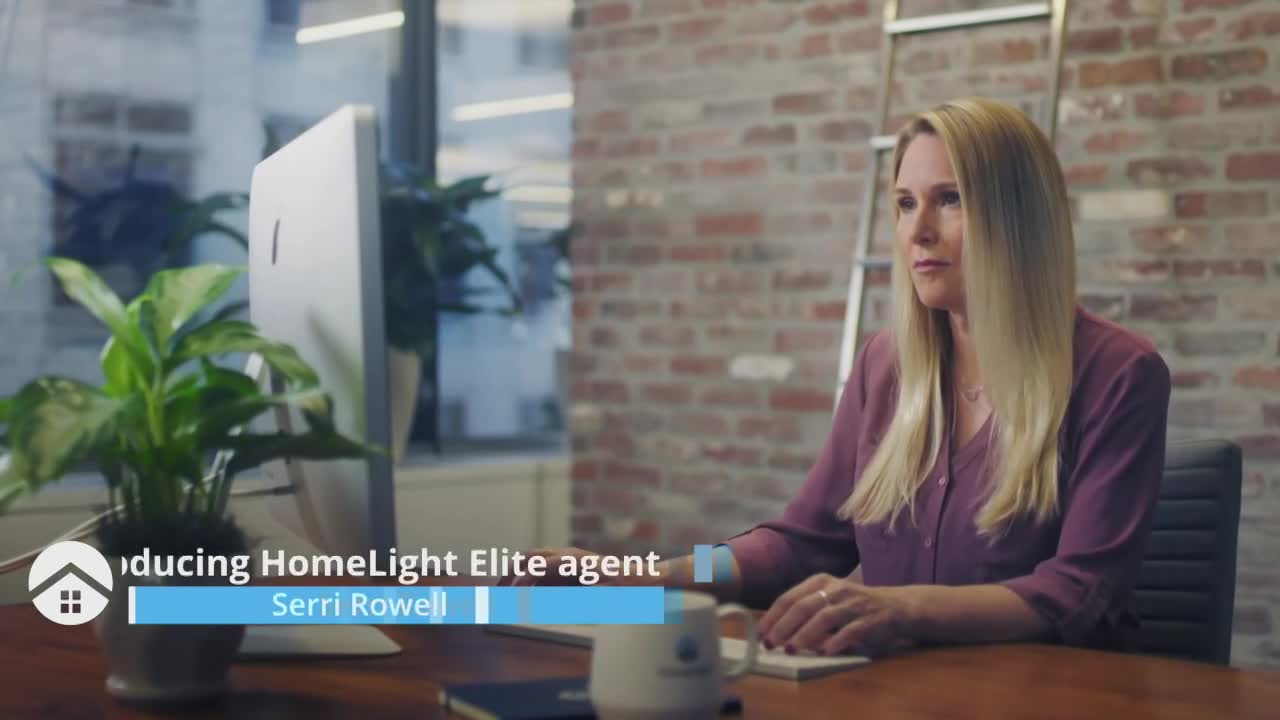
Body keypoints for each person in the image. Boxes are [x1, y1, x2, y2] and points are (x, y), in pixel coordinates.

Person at [508, 97, 1172, 659]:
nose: (919, 231)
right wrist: (651, 578)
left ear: (1020, 218)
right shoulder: (886, 365)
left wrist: (899, 609)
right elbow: (803, 542)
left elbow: (1079, 591)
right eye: (905, 204)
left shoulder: (1119, 374)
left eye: (950, 200)